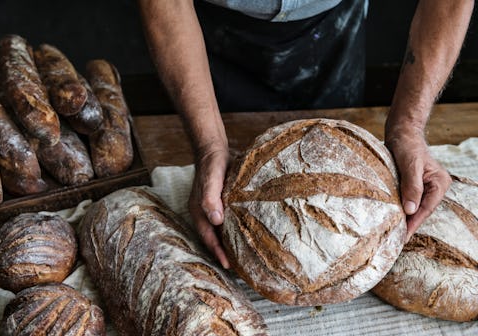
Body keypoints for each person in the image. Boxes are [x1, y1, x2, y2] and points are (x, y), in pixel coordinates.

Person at [138, 0, 473, 269]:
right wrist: (209, 145)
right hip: (201, 33)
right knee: (229, 191)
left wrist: (408, 128)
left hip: (333, 22)